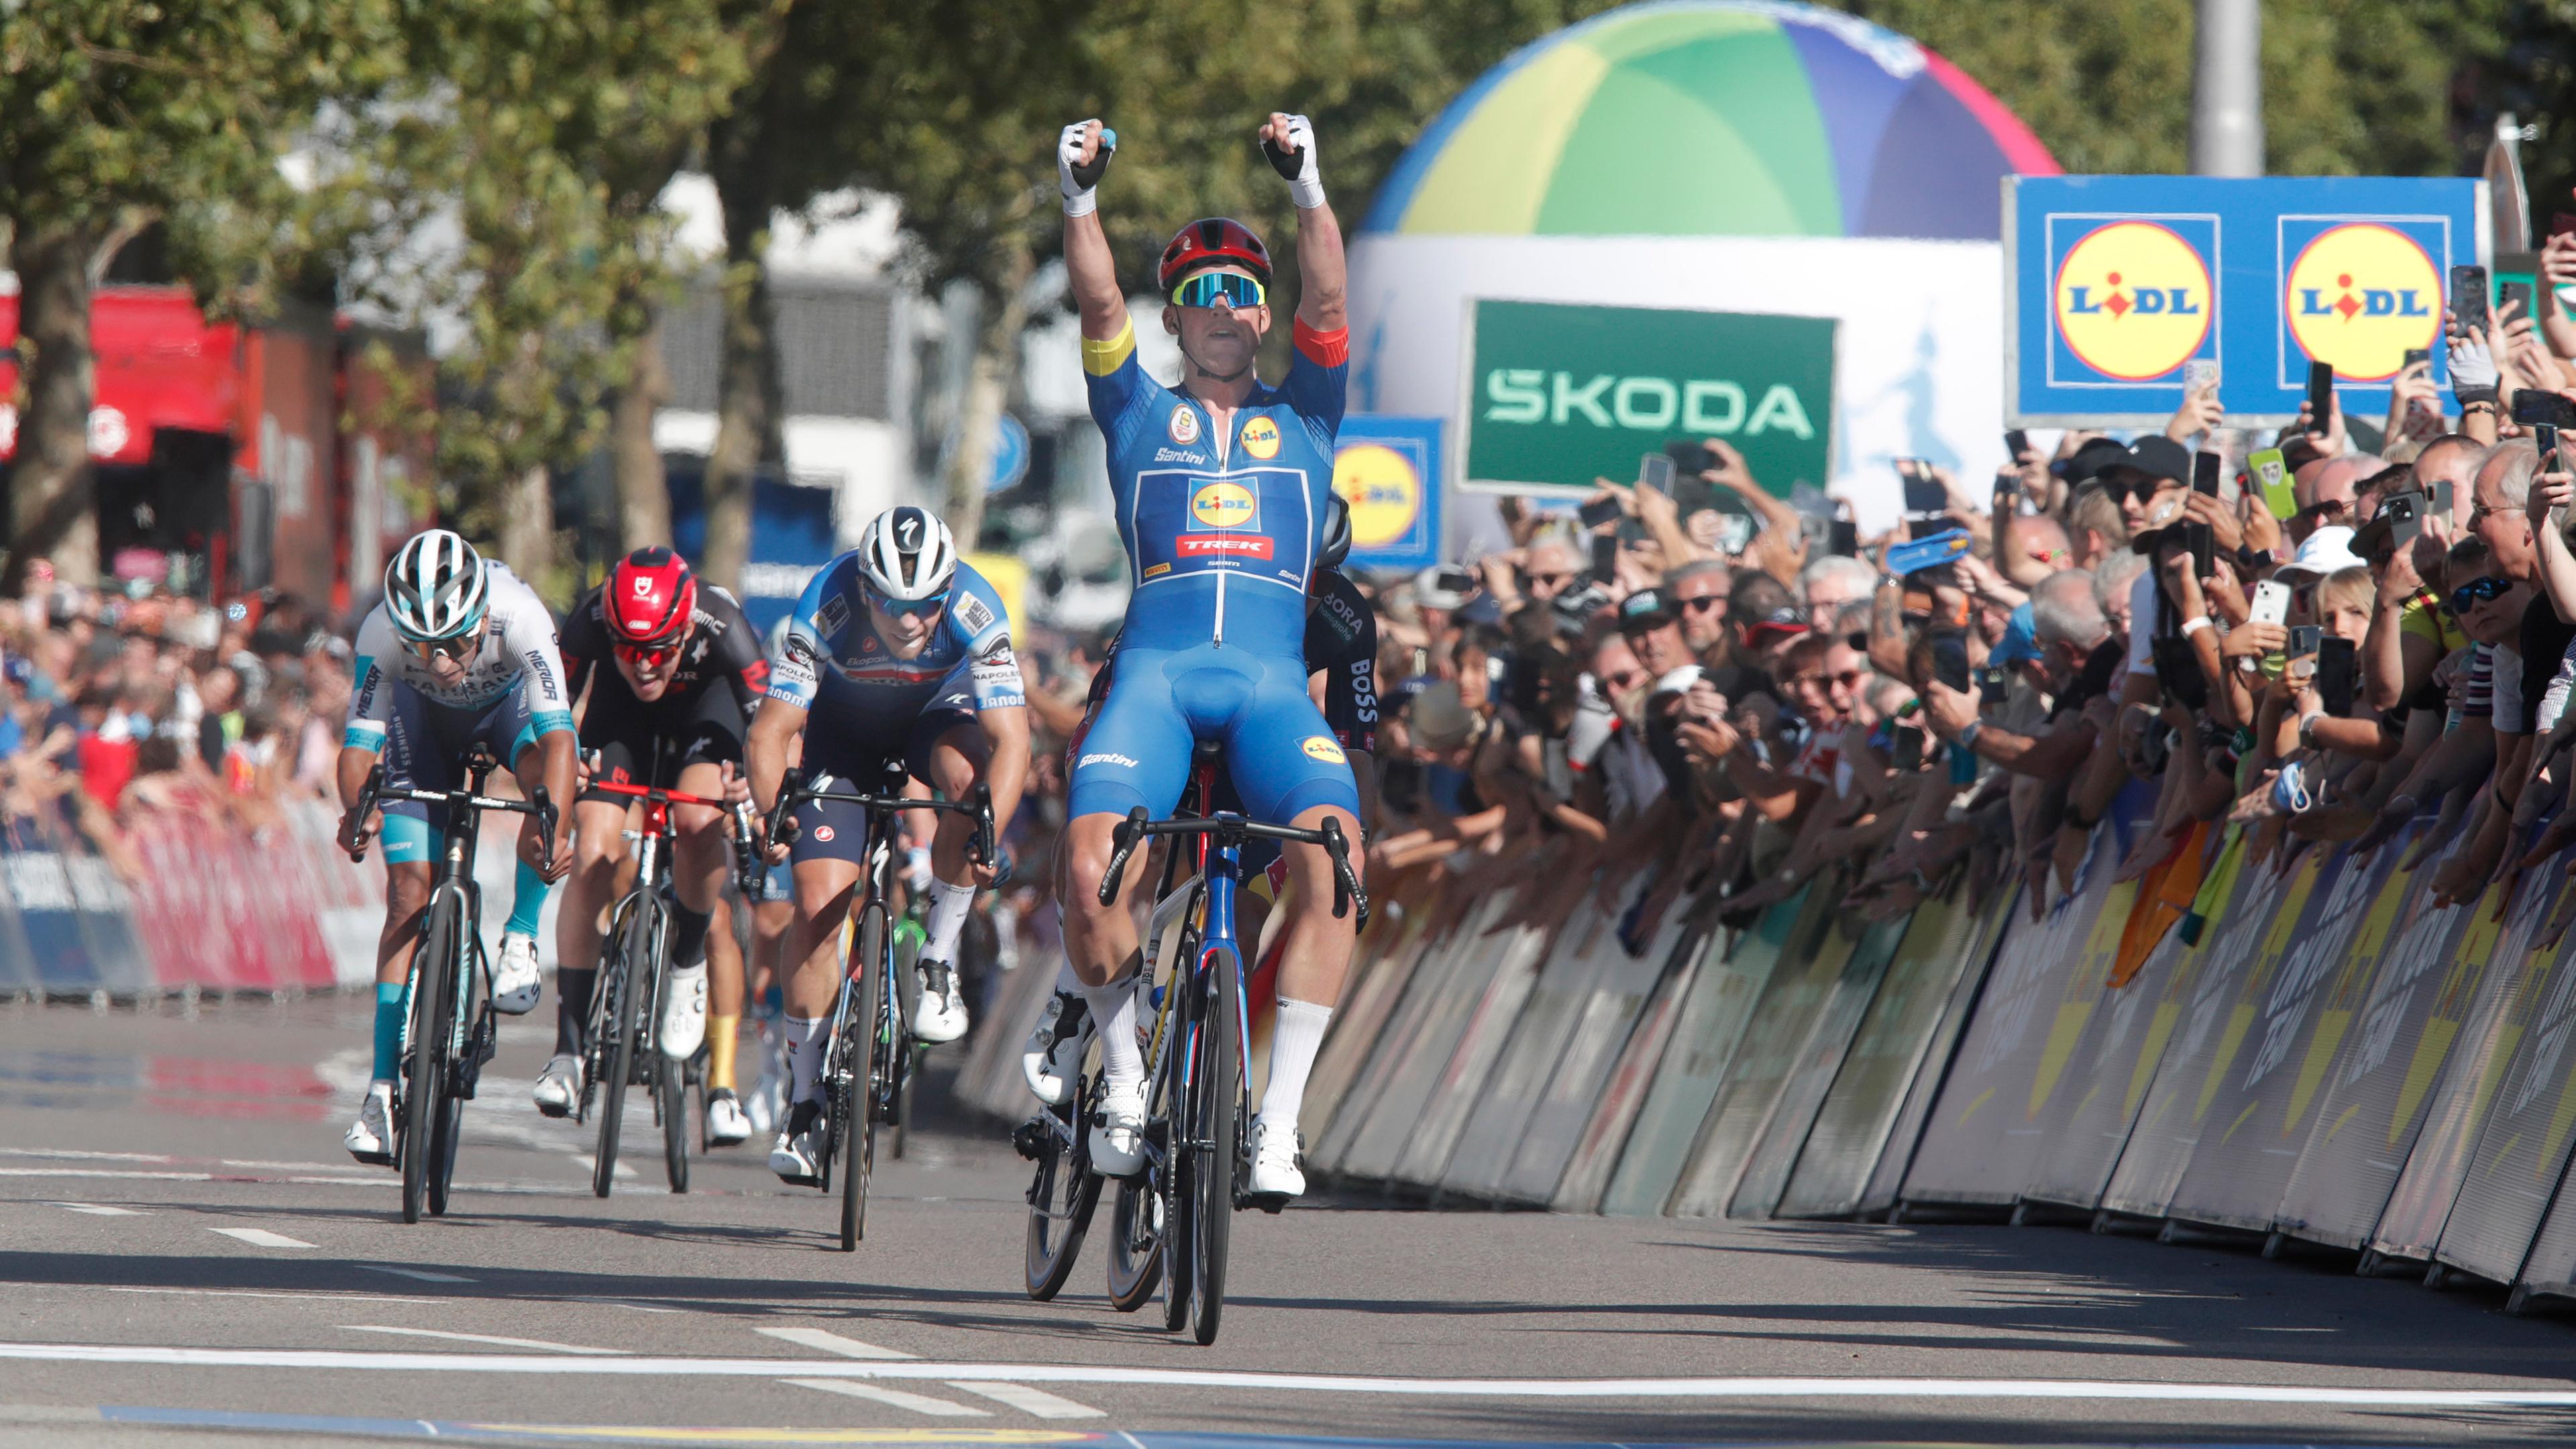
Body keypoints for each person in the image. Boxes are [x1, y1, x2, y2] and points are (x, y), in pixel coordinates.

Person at [1052, 110, 1364, 1201]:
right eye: (1203, 293)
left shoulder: (1311, 416)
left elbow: (1331, 295)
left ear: (1264, 314)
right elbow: (1096, 298)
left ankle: (1277, 1127)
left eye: (1243, 290)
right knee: (1093, 872)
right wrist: (1080, 196)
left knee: (1336, 859)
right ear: (1177, 319)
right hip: (1157, 682)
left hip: (1274, 689)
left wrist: (1309, 181)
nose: (1226, 306)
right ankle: (1128, 1079)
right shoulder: (1135, 412)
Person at [1023, 495, 1381, 1109]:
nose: (1302, 598)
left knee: (1244, 919)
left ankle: (1213, 1087)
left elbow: (1358, 747)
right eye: (1295, 579)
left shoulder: (1345, 617)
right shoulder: (1200, 580)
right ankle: (1072, 993)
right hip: (1165, 718)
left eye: (1315, 586)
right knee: (1106, 852)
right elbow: (1103, 720)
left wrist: (1354, 845)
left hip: (1259, 744)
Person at [745, 505, 1030, 1183]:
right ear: (866, 589)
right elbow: (770, 732)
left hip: (937, 720)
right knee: (817, 908)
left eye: (926, 606)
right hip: (844, 739)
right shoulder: (827, 601)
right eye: (892, 605)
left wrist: (989, 826)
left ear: (948, 591)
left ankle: (937, 958)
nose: (908, 621)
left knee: (970, 784)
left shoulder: (977, 607)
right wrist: (772, 814)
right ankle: (806, 1101)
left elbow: (1013, 741)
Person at [335, 530, 576, 1165]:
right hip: (422, 729)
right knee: (408, 896)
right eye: (423, 647)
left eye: (454, 644)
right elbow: (360, 745)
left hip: (508, 716)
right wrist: (355, 811)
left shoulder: (522, 616)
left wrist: (552, 827)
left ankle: (522, 935)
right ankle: (382, 1090)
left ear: (480, 617)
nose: (441, 662)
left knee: (542, 789)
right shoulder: (379, 633)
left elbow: (560, 745)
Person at [539, 547, 767, 1146]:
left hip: (706, 719)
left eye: (659, 650)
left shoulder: (725, 625)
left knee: (696, 824)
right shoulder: (589, 618)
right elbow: (548, 712)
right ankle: (568, 1053)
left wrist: (758, 785)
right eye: (626, 648)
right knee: (592, 850)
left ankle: (696, 1000)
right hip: (622, 725)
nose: (643, 665)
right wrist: (562, 774)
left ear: (687, 627)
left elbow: (772, 726)